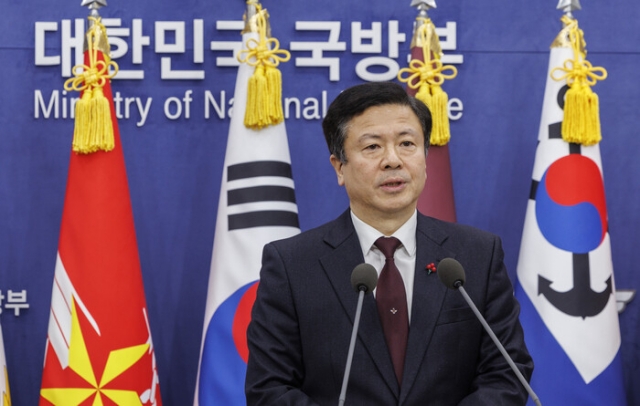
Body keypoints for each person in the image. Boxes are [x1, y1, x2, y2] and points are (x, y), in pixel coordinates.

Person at [245, 81, 534, 405]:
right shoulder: (292, 264)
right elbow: (270, 388)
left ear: (426, 159)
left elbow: (507, 374)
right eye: (372, 147)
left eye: (407, 143)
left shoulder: (476, 255)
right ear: (339, 167)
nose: (392, 160)